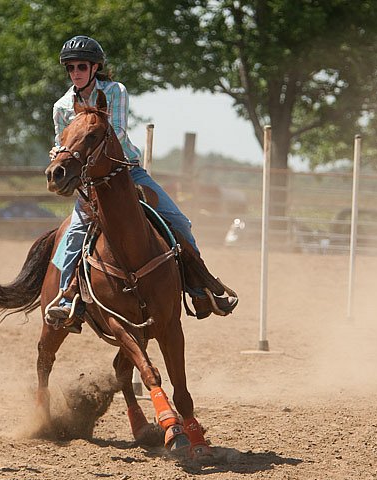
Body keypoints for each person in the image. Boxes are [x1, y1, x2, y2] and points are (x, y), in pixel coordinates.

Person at [45, 35, 237, 329]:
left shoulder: (115, 91)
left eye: (81, 66)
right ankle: (67, 298)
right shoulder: (61, 107)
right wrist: (61, 153)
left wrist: (83, 148)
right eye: (70, 68)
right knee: (72, 235)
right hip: (91, 182)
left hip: (128, 171)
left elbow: (117, 132)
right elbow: (60, 141)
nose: (75, 72)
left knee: (180, 221)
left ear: (95, 67)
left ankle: (201, 288)